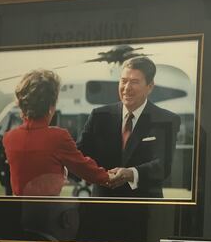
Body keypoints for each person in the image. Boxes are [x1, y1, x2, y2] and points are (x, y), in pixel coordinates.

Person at [77, 56, 181, 198]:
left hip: (145, 212)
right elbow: (79, 155)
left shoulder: (167, 119)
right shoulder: (99, 116)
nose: (127, 88)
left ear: (150, 87)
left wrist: (131, 173)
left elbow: (162, 166)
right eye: (124, 81)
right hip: (102, 208)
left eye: (134, 82)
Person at [2, 69, 111, 196]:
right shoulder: (58, 137)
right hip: (48, 211)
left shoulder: (9, 138)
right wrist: (109, 177)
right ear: (51, 106)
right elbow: (85, 169)